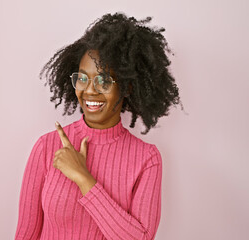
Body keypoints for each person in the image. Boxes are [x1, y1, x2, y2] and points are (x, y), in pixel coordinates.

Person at [15, 12, 184, 240]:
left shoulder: (147, 159)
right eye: (83, 78)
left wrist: (84, 179)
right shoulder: (47, 147)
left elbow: (141, 237)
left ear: (127, 88)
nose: (90, 90)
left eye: (104, 80)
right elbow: (26, 234)